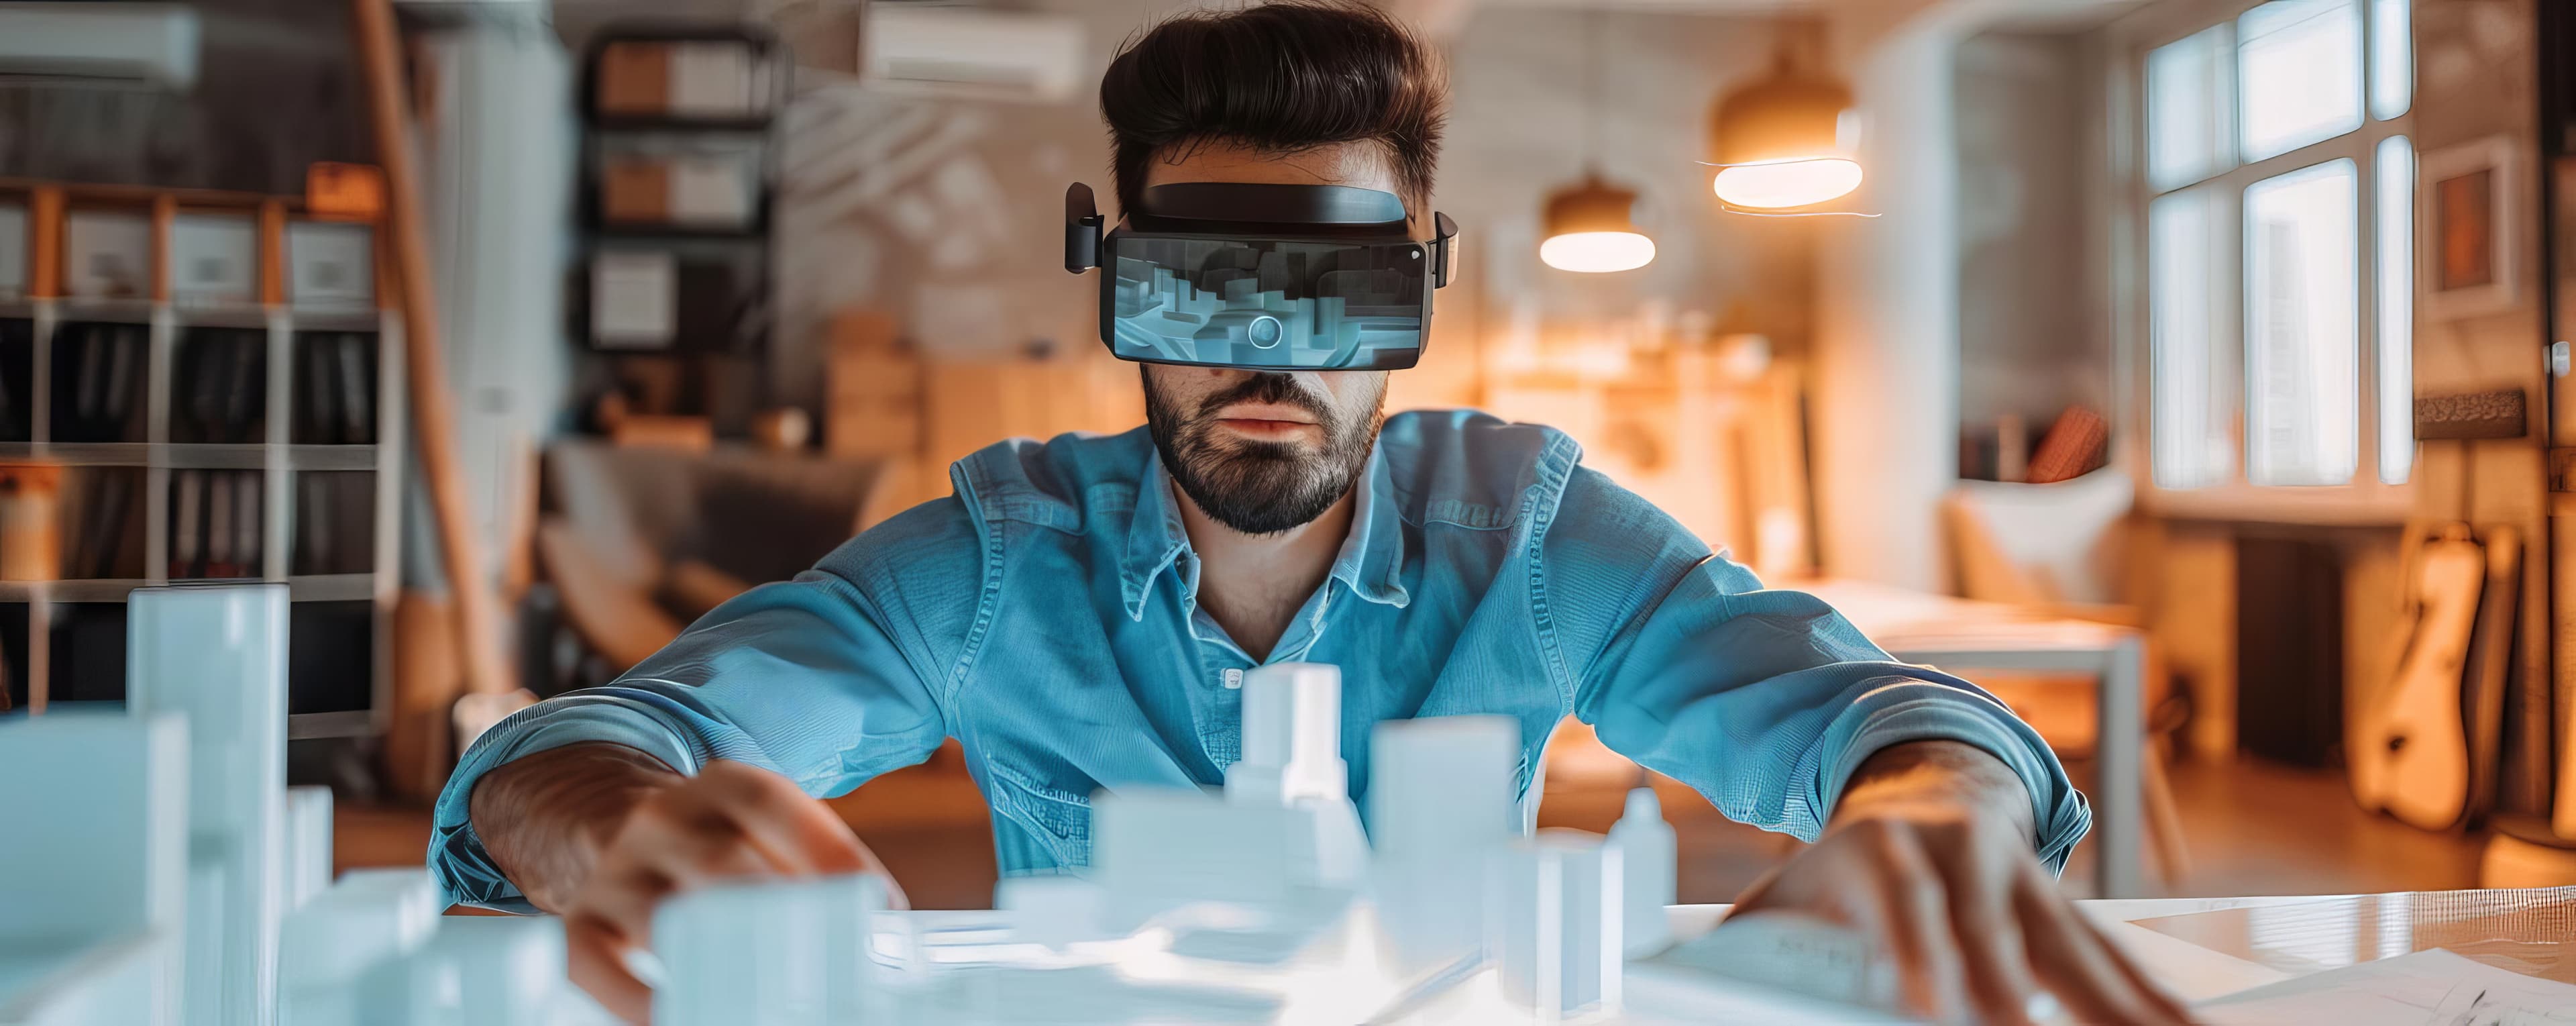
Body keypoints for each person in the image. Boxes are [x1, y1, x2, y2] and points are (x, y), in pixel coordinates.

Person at [437, 4, 2189, 1024]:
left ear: (1423, 295)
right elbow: (572, 750)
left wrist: (1937, 804)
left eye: (1335, 294)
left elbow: (1897, 715)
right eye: (1209, 290)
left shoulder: (1527, 529)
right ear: (1116, 287)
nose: (1270, 362)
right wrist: (615, 822)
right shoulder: (994, 557)